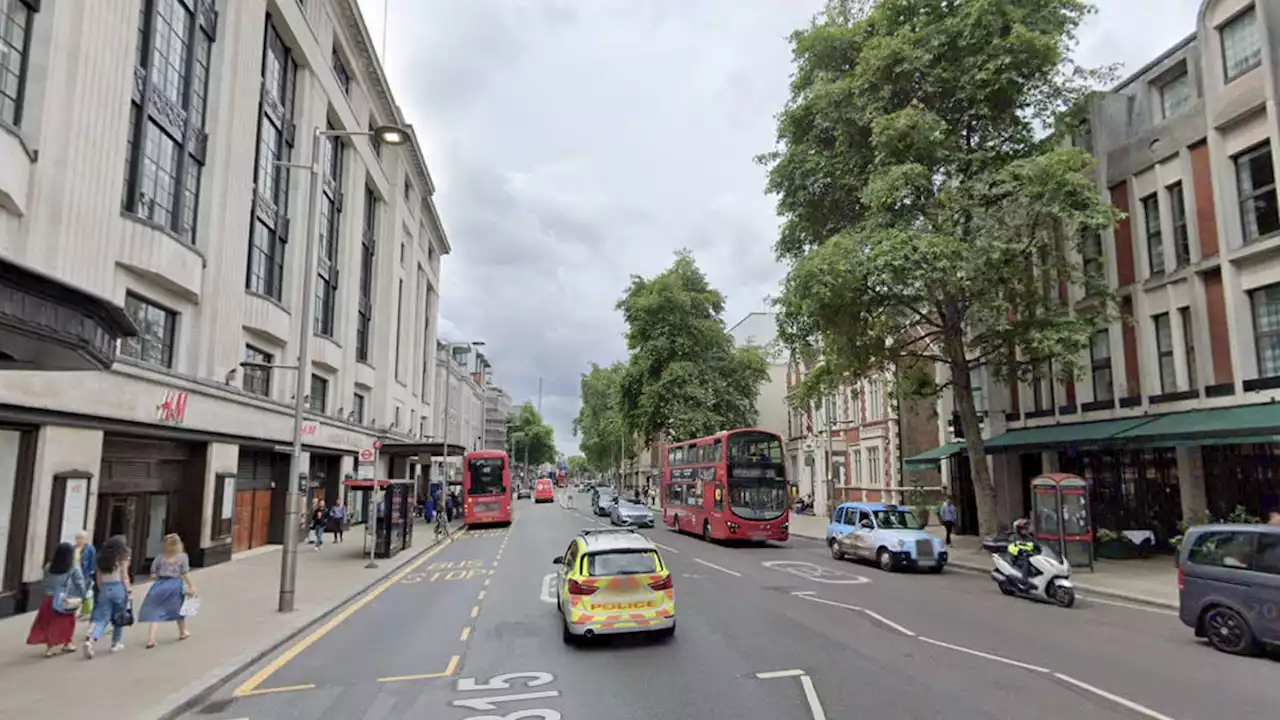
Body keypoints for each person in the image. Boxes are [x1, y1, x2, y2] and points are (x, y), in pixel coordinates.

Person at [26, 541, 86, 657]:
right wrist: (82, 595)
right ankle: (67, 643)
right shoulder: (72, 567)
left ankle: (50, 647)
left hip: (49, 598)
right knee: (67, 621)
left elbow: (44, 582)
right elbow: (80, 583)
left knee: (50, 622)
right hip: (64, 599)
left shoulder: (49, 566)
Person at [139, 534, 197, 648]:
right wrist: (191, 586)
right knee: (178, 609)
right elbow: (185, 573)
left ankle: (151, 639)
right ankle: (182, 632)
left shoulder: (160, 557)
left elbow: (153, 574)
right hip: (175, 585)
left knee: (154, 612)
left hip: (160, 584)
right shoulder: (182, 557)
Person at [85, 535, 132, 658]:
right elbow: (124, 576)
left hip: (105, 588)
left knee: (101, 619)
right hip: (118, 588)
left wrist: (102, 590)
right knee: (119, 617)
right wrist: (128, 590)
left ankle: (91, 640)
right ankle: (115, 643)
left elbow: (99, 579)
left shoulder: (101, 559)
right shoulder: (122, 559)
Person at [1006, 519, 1038, 590]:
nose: (1025, 530)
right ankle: (1024, 581)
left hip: (1029, 556)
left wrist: (1039, 549)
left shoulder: (1029, 537)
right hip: (1017, 558)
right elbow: (1011, 547)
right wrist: (1020, 551)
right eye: (1023, 529)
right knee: (1027, 563)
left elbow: (1036, 545)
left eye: (1026, 529)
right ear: (1018, 529)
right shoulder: (1013, 537)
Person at [73, 530, 96, 621]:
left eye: (81, 538)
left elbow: (92, 562)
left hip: (85, 574)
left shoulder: (90, 549)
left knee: (83, 592)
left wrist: (91, 573)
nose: (79, 540)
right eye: (78, 538)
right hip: (74, 574)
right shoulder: (73, 548)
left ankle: (81, 611)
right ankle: (75, 610)